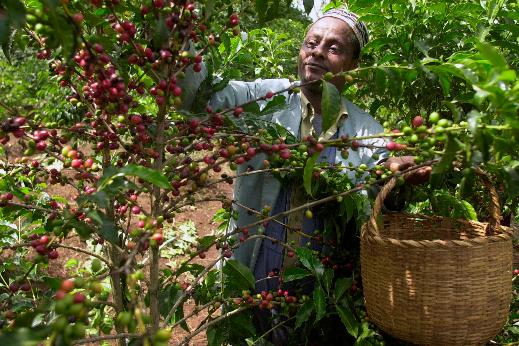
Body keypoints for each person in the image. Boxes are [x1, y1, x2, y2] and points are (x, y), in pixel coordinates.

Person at [183, 7, 430, 344]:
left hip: (321, 304)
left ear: (354, 67)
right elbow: (197, 96)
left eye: (333, 47)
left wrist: (397, 178)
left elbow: (377, 207)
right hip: (249, 284)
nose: (316, 52)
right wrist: (178, 30)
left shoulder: (368, 133)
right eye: (311, 42)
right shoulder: (263, 99)